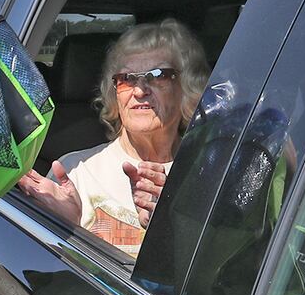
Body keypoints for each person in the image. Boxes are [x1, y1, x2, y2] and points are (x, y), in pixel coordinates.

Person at [17, 20, 209, 256]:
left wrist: (177, 220)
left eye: (157, 75)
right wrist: (68, 228)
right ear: (114, 93)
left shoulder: (210, 173)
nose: (139, 91)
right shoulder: (75, 172)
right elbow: (40, 270)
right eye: (127, 78)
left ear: (187, 88)